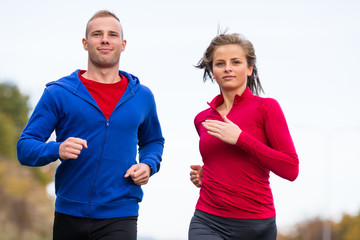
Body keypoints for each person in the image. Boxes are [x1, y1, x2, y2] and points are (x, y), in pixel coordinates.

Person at [17, 10, 164, 240]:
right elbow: (25, 148)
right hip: (69, 214)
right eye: (97, 34)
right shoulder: (59, 93)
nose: (105, 39)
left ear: (123, 44)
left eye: (112, 35)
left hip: (120, 214)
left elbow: (153, 141)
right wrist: (57, 149)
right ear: (85, 43)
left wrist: (148, 165)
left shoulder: (142, 96)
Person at [188, 33, 299, 240]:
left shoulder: (267, 108)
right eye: (220, 63)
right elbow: (225, 162)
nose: (227, 68)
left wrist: (241, 139)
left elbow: (291, 168)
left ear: (249, 69)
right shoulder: (202, 119)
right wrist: (208, 174)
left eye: (235, 62)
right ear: (213, 72)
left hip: (257, 224)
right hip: (208, 219)